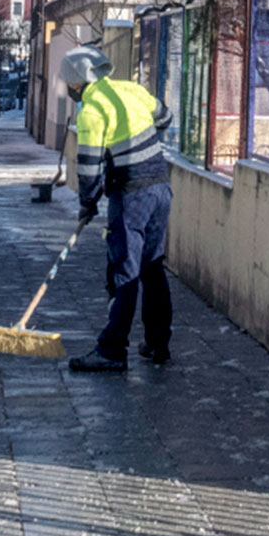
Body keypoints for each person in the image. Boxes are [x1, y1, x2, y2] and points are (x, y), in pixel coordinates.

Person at [61, 45, 173, 372]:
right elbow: (165, 116)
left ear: (77, 83)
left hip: (131, 194)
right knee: (152, 266)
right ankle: (157, 342)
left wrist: (88, 202)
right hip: (160, 188)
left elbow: (88, 165)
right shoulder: (130, 89)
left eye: (69, 84)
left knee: (124, 268)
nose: (69, 90)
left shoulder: (92, 110)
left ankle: (111, 350)